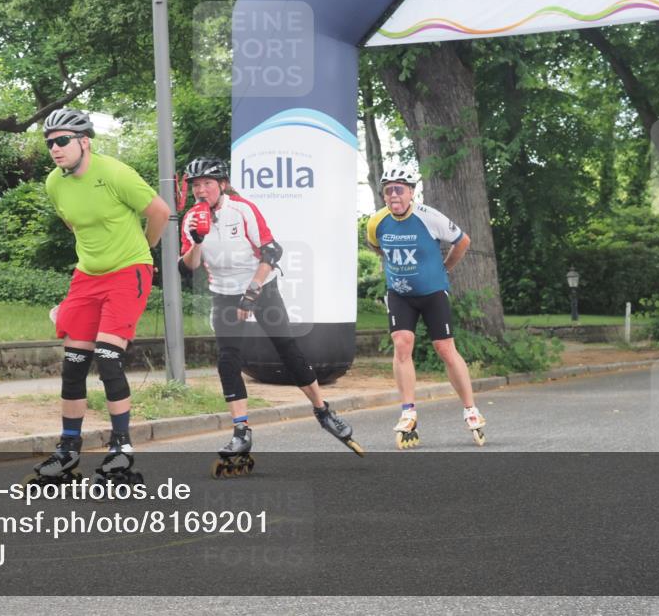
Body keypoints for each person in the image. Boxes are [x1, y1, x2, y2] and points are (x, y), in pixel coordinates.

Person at [178, 157, 363, 476]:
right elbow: (188, 266)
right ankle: (241, 432)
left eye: (207, 183)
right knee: (227, 358)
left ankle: (323, 410)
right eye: (196, 185)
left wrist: (252, 292)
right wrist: (196, 241)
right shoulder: (190, 220)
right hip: (223, 293)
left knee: (287, 349)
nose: (201, 190)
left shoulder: (242, 209)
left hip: (261, 285)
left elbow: (271, 251)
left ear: (222, 184)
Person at [32, 108, 170, 486]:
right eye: (50, 143)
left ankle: (121, 451)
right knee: (74, 363)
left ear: (84, 142)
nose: (55, 149)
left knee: (108, 358)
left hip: (129, 272)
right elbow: (72, 222)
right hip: (87, 277)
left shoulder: (114, 173)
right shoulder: (54, 184)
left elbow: (160, 210)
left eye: (62, 141)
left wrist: (146, 248)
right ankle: (68, 451)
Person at [365, 166, 486, 449]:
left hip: (433, 293)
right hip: (399, 293)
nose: (393, 195)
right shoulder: (376, 222)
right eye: (388, 190)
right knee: (401, 343)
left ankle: (470, 409)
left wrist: (446, 268)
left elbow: (462, 241)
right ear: (383, 195)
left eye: (399, 189)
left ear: (411, 193)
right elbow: (375, 246)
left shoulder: (428, 217)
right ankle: (408, 412)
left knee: (444, 348)